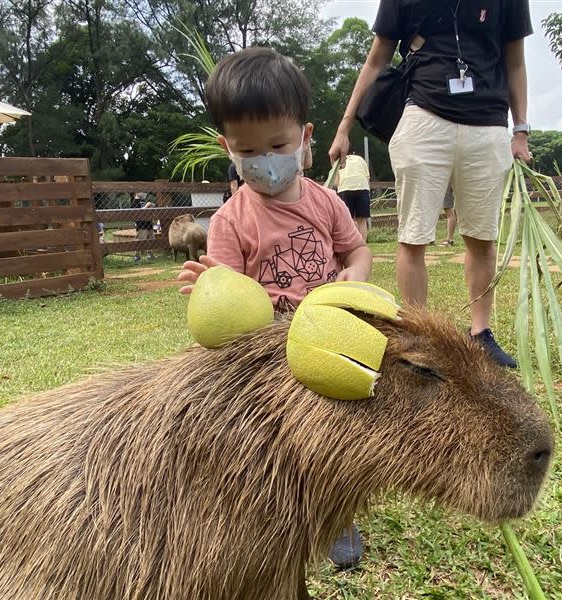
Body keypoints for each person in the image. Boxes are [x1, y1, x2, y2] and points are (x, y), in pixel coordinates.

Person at [176, 47, 372, 567]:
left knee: (338, 432)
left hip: (329, 339)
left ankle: (337, 514)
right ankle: (277, 513)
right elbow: (227, 299)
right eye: (247, 150)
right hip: (267, 353)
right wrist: (209, 284)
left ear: (306, 138)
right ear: (227, 148)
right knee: (275, 441)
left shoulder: (326, 202)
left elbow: (356, 248)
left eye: (278, 144)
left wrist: (356, 272)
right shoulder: (229, 221)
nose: (264, 160)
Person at [328, 0, 533, 368]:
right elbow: (376, 59)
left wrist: (521, 130)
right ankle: (419, 336)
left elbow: (514, 59)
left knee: (482, 237)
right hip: (423, 115)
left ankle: (481, 333)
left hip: (487, 122)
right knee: (413, 234)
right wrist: (344, 126)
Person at [335, 147, 371, 241]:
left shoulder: (339, 161)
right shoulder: (360, 159)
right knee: (362, 220)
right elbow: (367, 177)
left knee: (347, 219)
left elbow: (336, 182)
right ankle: (362, 245)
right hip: (362, 187)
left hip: (345, 188)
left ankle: (350, 244)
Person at [132, 192, 155, 262]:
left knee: (151, 240)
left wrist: (150, 206)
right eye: (142, 192)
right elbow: (136, 212)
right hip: (142, 225)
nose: (145, 193)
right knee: (140, 241)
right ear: (137, 193)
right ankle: (136, 256)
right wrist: (146, 206)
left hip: (149, 224)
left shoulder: (143, 201)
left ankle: (150, 255)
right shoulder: (134, 202)